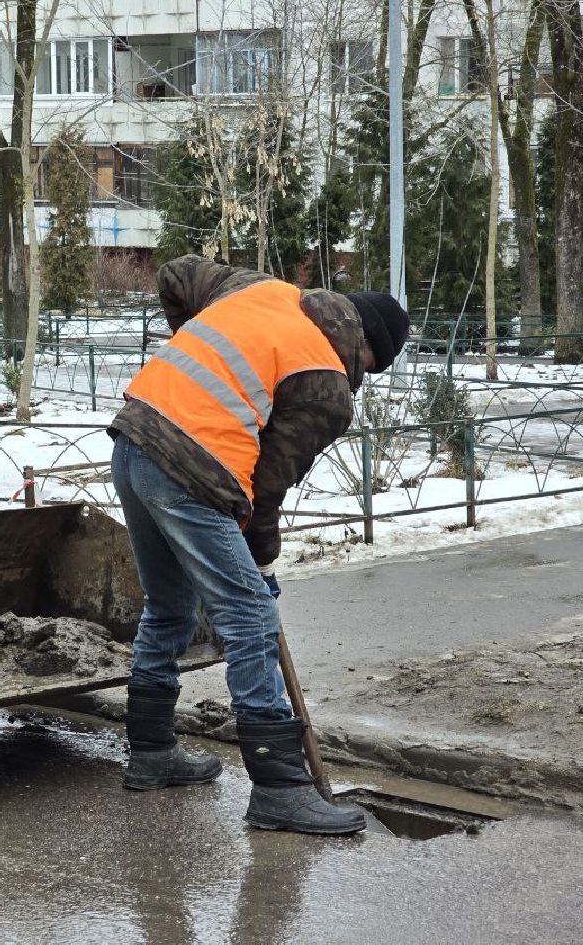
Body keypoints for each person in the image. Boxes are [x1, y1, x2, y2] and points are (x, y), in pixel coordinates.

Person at [110, 257, 409, 835]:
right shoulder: (327, 387)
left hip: (134, 438)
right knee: (249, 614)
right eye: (370, 367)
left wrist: (195, 366)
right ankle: (279, 787)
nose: (362, 376)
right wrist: (260, 556)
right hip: (192, 467)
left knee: (169, 607)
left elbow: (175, 274)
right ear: (367, 349)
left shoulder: (259, 289)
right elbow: (266, 485)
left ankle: (151, 754)